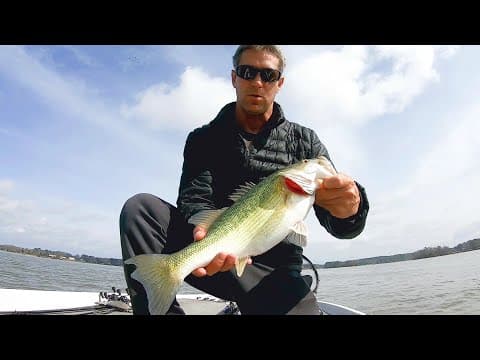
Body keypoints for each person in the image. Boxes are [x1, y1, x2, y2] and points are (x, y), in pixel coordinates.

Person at [119, 45, 370, 315]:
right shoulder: (203, 139)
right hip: (211, 257)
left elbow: (340, 225)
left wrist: (351, 210)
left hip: (274, 275)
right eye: (248, 72)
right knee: (141, 210)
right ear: (234, 78)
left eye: (269, 75)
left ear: (280, 83)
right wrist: (203, 234)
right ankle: (162, 291)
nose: (258, 82)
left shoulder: (305, 141)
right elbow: (194, 200)